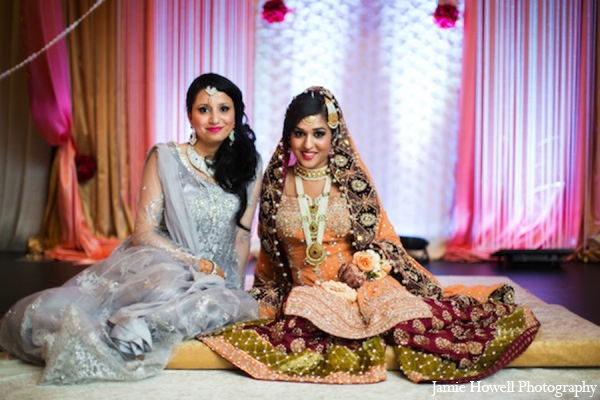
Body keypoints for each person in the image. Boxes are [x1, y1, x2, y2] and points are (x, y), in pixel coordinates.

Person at [201, 87, 540, 384]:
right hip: (304, 291)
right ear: (287, 136)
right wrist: (263, 297)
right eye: (299, 133)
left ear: (334, 135)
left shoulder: (353, 183)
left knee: (413, 324)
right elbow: (270, 256)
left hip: (360, 285)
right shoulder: (274, 184)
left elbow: (384, 241)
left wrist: (364, 270)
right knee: (297, 324)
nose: (308, 144)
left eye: (319, 133)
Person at [0, 73, 262, 384]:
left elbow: (243, 233)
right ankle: (122, 326)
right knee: (167, 291)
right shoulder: (166, 158)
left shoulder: (250, 164)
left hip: (217, 277)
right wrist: (194, 263)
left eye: (224, 108)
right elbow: (144, 233)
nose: (214, 118)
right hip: (170, 263)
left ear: (237, 112)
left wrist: (232, 288)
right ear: (189, 115)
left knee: (218, 306)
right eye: (203, 109)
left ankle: (142, 325)